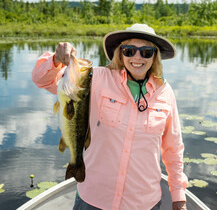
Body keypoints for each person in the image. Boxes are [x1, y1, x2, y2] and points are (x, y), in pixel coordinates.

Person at [32, 23, 188, 210]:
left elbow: (174, 148)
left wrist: (179, 197)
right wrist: (56, 59)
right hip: (94, 198)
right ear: (120, 53)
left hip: (144, 203)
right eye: (129, 50)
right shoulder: (94, 79)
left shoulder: (165, 93)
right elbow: (42, 80)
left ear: (155, 56)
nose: (137, 57)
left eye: (146, 52)